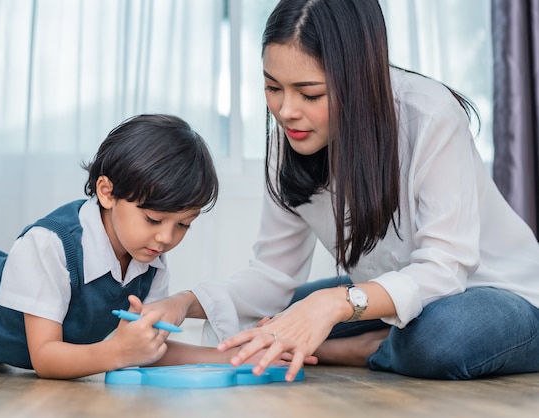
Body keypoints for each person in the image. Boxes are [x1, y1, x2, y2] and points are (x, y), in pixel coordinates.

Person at [146, 0, 539, 382]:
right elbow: (271, 276)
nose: (286, 111)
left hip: (496, 293)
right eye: (273, 88)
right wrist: (183, 304)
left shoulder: (429, 115)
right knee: (280, 315)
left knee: (441, 337)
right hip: (393, 294)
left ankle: (364, 350)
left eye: (310, 94)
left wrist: (335, 303)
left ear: (358, 79)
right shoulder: (291, 139)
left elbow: (445, 270)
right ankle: (384, 343)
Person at [0, 113, 256, 380]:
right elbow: (46, 357)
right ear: (107, 193)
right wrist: (118, 352)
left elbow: (148, 348)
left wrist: (230, 356)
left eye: (183, 225)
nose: (167, 238)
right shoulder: (50, 244)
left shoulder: (150, 257)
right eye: (154, 220)